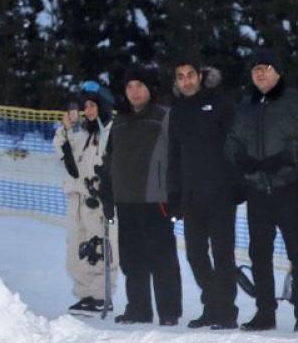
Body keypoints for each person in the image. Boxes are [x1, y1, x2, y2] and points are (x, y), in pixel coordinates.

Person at [225, 47, 298, 332]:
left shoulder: (296, 103)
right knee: (259, 253)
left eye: (266, 67)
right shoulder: (245, 108)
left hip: (289, 188)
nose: (261, 73)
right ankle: (265, 312)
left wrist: (286, 157)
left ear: (278, 72)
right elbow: (231, 141)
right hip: (257, 192)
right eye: (255, 69)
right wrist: (240, 161)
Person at [100, 66, 182, 326]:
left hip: (156, 200)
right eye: (129, 87)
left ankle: (169, 312)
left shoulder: (165, 116)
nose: (134, 91)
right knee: (132, 260)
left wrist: (176, 195)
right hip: (126, 200)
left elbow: (178, 158)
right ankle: (138, 309)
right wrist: (107, 191)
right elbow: (109, 158)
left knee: (162, 259)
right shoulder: (119, 121)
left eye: (139, 86)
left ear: (150, 89)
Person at [167, 58, 239, 329]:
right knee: (195, 254)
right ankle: (213, 305)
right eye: (180, 76)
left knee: (223, 254)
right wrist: (174, 196)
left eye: (190, 74)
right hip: (191, 196)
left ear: (200, 76)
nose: (186, 80)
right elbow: (173, 156)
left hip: (221, 194)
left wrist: (236, 182)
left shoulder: (220, 104)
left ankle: (227, 312)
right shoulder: (177, 112)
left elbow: (236, 144)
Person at [54, 82, 119, 314]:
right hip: (78, 201)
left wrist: (105, 186)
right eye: (86, 107)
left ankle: (102, 295)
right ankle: (85, 294)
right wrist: (65, 129)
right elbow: (64, 153)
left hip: (100, 203)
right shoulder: (83, 135)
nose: (88, 111)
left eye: (93, 106)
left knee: (101, 249)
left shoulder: (111, 132)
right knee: (77, 249)